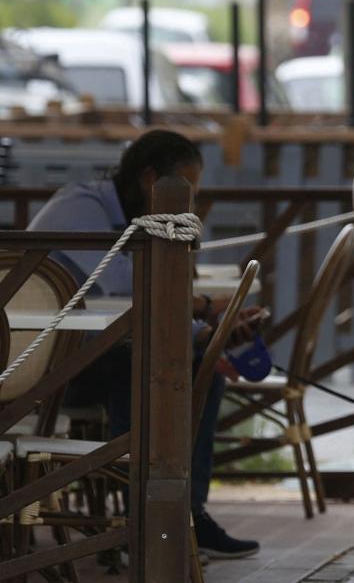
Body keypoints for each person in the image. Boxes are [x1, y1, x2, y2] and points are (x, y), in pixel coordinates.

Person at [29, 130, 261, 560]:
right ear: (149, 179)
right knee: (144, 368)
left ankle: (184, 516)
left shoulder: (131, 218)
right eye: (184, 192)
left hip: (87, 354)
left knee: (195, 368)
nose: (189, 206)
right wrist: (205, 313)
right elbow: (127, 292)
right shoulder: (82, 208)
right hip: (41, 370)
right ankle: (139, 524)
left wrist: (202, 330)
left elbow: (132, 306)